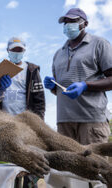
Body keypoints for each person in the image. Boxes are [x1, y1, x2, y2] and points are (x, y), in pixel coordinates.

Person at [44, 8, 112, 145]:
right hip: (64, 123)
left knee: (96, 165)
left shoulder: (99, 44)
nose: (68, 25)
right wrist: (53, 86)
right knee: (67, 165)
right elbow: (63, 88)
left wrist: (86, 85)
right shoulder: (59, 53)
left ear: (84, 24)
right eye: (65, 22)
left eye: (73, 21)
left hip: (91, 121)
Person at [0, 37, 45, 119]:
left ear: (24, 51)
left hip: (25, 120)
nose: (16, 53)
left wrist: (39, 121)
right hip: (4, 119)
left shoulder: (31, 70)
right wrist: (0, 89)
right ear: (8, 50)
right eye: (14, 50)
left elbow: (39, 100)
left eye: (19, 50)